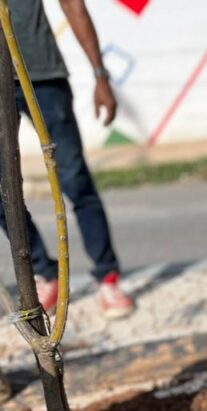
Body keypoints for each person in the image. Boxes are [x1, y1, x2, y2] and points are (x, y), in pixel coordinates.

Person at [0, 0, 133, 319]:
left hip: (44, 77)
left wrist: (100, 75)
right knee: (1, 193)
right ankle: (45, 273)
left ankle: (107, 276)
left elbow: (74, 6)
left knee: (75, 179)